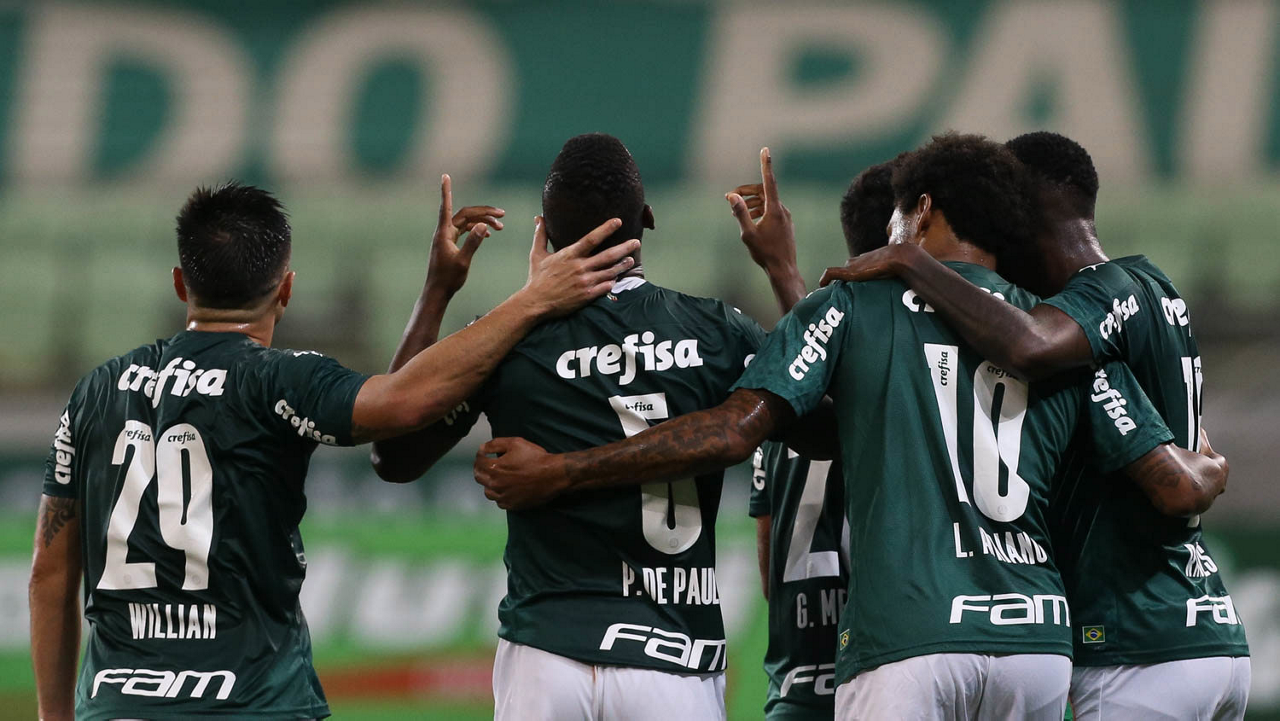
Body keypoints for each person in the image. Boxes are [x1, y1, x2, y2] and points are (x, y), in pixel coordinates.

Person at [472, 134, 1230, 720]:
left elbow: (739, 432)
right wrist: (1209, 465)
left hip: (909, 636)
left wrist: (560, 471)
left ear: (921, 212)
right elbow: (1170, 477)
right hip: (1037, 643)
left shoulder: (859, 302)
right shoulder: (1055, 335)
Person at [27, 178, 639, 720]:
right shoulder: (277, 380)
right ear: (286, 289)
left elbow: (51, 573)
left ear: (181, 283)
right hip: (252, 702)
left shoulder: (97, 390)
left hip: (117, 704)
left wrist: (55, 714)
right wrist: (530, 300)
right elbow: (405, 405)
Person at [820, 130, 1250, 719]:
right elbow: (1186, 467)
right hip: (1205, 625)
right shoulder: (1158, 288)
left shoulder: (1092, 312)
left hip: (1134, 642)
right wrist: (1210, 466)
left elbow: (1029, 345)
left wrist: (910, 259)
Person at [371, 133, 766, 720]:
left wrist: (437, 290)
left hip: (545, 655)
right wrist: (781, 270)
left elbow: (393, 455)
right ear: (647, 220)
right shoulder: (718, 331)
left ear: (544, 232)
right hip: (672, 657)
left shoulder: (502, 342)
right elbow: (815, 419)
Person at [725, 158, 896, 719]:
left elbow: (767, 566)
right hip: (891, 678)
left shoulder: (776, 399)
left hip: (798, 690)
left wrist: (782, 268)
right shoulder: (920, 373)